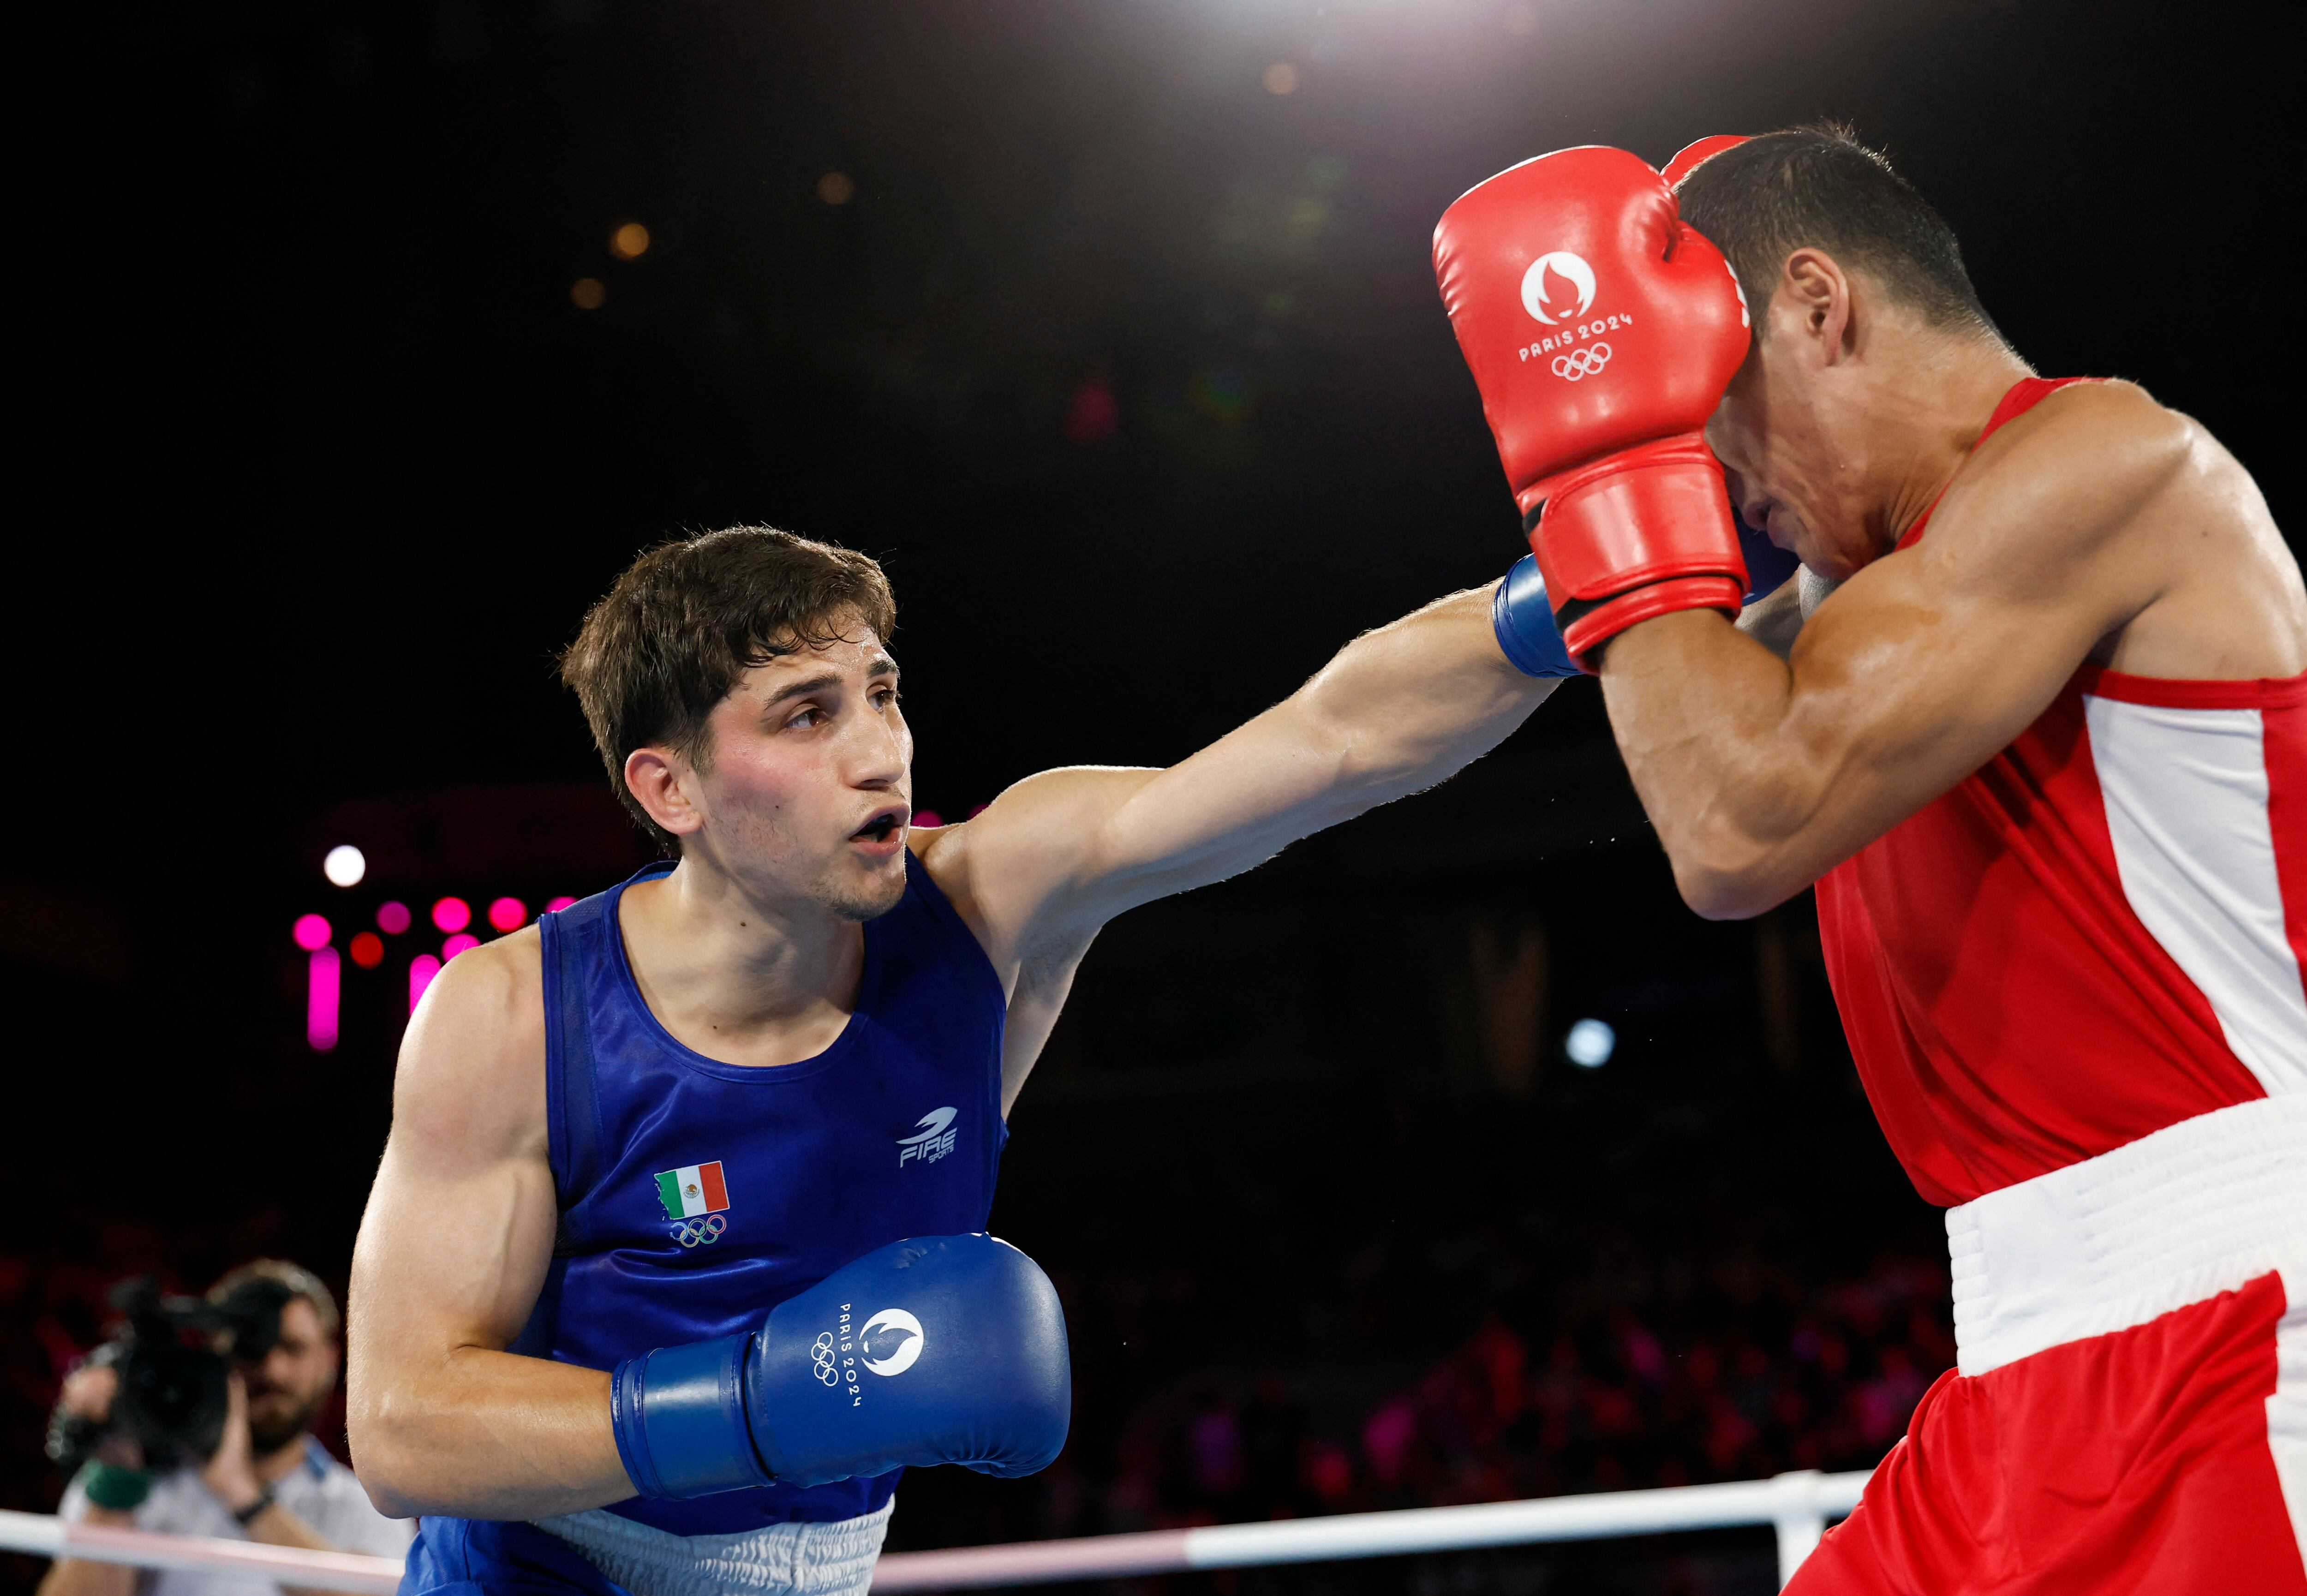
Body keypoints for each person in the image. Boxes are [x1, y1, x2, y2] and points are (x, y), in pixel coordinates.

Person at [347, 527, 1575, 1596]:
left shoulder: (993, 896)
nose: (881, 751)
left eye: (882, 692)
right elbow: (401, 1428)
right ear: (671, 787)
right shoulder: (512, 1014)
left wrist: (1578, 591)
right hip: (546, 1570)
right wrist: (751, 1409)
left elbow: (1339, 741)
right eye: (807, 713)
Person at [1433, 125, 2306, 1590]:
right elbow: (1447, 691)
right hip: (2015, 1369)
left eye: (1707, 405)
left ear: (1817, 305)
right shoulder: (1849, 613)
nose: (1709, 466)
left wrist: (1602, 455)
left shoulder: (2111, 464)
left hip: (2242, 1330)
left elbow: (1735, 824)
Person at [43, 1261, 415, 1596]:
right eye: (251, 1349)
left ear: (329, 1361)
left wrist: (243, 1494)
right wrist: (120, 1483)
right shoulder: (129, 1482)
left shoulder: (368, 1505)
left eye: (292, 1348)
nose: (273, 1371)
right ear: (213, 1353)